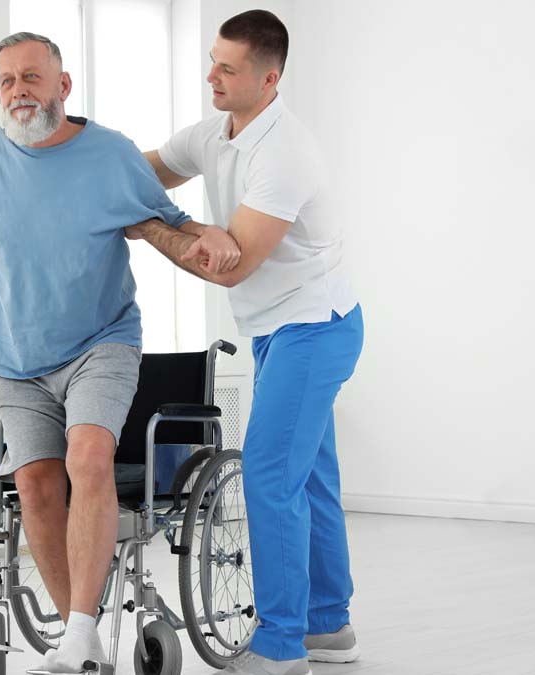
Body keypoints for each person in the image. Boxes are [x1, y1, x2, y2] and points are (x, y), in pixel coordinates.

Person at [0, 32, 233, 673]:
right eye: (6, 81)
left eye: (31, 77)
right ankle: (80, 637)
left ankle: (79, 633)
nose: (18, 91)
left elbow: (169, 221)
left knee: (88, 457)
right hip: (16, 360)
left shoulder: (110, 155)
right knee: (34, 483)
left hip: (102, 341)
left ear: (63, 85)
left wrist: (210, 232)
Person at [126, 10, 364, 675]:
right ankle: (329, 624)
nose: (211, 76)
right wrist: (99, 176)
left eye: (227, 68)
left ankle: (282, 644)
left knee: (267, 473)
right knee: (308, 476)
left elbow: (233, 262)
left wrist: (151, 225)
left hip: (314, 327)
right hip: (274, 329)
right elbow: (145, 173)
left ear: (269, 77)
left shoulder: (286, 151)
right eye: (212, 61)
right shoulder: (214, 133)